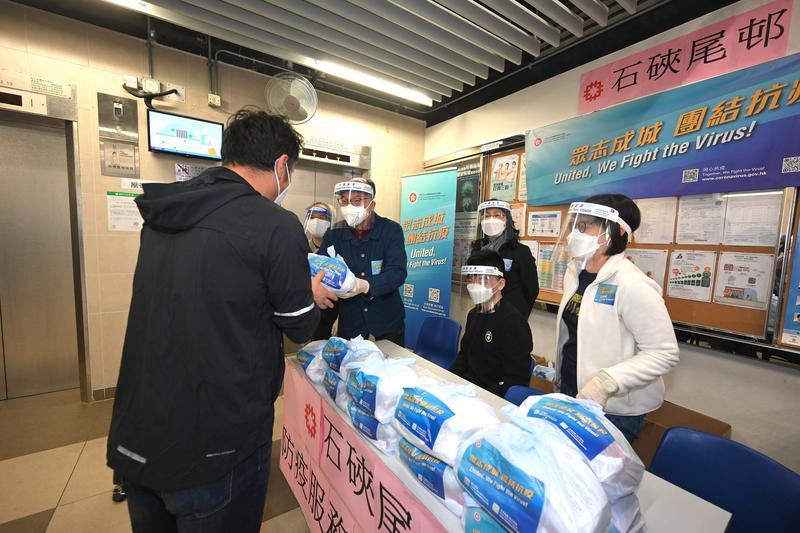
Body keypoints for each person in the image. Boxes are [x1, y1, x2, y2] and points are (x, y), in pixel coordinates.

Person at [107, 109, 328, 533]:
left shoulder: (164, 211)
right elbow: (300, 327)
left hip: (138, 433)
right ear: (282, 165)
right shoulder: (275, 225)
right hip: (217, 447)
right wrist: (310, 292)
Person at [553, 194, 679, 443]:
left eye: (584, 226)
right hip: (570, 392)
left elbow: (664, 353)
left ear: (617, 230)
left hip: (612, 410)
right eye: (574, 225)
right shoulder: (575, 273)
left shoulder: (632, 284)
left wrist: (606, 383)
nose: (574, 234)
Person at [318, 178, 407, 345]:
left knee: (390, 367)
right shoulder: (334, 233)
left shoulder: (391, 230)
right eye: (344, 201)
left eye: (357, 200)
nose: (349, 207)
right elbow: (321, 269)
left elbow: (397, 273)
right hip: (351, 321)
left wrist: (365, 285)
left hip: (387, 320)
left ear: (372, 204)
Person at [451, 250, 533, 397]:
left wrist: (481, 397)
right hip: (466, 391)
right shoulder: (473, 314)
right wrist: (448, 381)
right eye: (471, 280)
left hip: (491, 398)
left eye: (483, 280)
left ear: (500, 284)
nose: (475, 285)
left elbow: (515, 378)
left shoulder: (513, 321)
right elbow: (464, 356)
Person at [470, 200, 539, 320]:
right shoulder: (477, 250)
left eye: (497, 215)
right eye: (486, 216)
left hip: (511, 317)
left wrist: (519, 314)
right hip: (483, 312)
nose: (491, 219)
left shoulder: (521, 251)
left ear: (507, 220)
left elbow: (531, 289)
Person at [304, 202, 339, 340]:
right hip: (307, 313)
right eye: (313, 216)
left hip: (331, 312)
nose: (317, 221)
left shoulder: (337, 250)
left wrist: (341, 317)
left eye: (322, 217)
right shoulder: (299, 246)